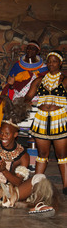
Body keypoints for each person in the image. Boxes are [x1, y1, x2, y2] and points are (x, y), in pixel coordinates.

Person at [0, 97, 58, 217]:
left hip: (15, 191)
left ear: (15, 135)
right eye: (2, 132)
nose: (3, 136)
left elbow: (18, 182)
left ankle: (39, 204)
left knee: (40, 177)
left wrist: (4, 170)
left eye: (7, 134)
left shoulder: (22, 154)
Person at [24, 50, 67, 196]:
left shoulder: (65, 80)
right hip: (41, 118)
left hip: (59, 118)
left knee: (62, 155)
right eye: (49, 61)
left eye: (54, 61)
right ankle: (36, 185)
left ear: (60, 63)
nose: (51, 63)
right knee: (42, 154)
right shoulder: (39, 80)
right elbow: (28, 97)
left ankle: (66, 185)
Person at [0, 41, 47, 132]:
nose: (30, 50)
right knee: (18, 127)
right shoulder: (17, 65)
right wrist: (11, 85)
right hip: (18, 100)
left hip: (35, 100)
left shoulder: (44, 67)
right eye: (28, 48)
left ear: (38, 52)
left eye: (33, 48)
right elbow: (12, 85)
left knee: (34, 128)